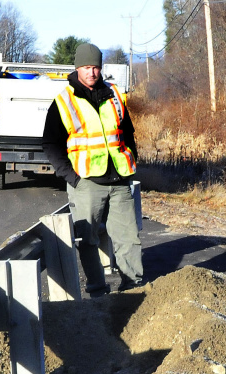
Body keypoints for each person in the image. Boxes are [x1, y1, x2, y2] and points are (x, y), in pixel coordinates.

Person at [42, 43, 144, 296]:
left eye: (96, 67)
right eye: (87, 67)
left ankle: (133, 288)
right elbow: (50, 144)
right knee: (88, 240)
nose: (92, 72)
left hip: (119, 180)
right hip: (86, 182)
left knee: (128, 239)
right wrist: (72, 178)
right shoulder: (64, 102)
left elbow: (127, 133)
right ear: (77, 69)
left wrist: (131, 161)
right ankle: (99, 292)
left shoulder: (114, 96)